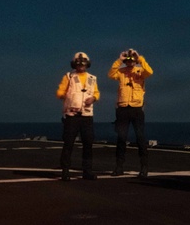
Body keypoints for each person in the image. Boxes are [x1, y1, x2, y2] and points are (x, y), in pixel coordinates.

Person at [107, 48, 154, 177]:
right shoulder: (121, 72)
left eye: (132, 60)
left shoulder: (141, 71)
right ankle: (119, 167)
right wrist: (119, 60)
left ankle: (144, 167)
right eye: (128, 60)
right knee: (121, 138)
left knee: (140, 138)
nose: (130, 62)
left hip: (137, 108)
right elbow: (110, 74)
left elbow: (150, 71)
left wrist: (140, 58)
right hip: (122, 108)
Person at [56, 52, 100, 181]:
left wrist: (94, 98)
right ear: (74, 64)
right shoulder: (68, 76)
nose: (81, 66)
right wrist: (68, 97)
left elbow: (96, 93)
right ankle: (65, 171)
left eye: (83, 63)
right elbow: (60, 91)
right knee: (68, 143)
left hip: (87, 116)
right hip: (72, 116)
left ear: (87, 64)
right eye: (78, 63)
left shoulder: (92, 78)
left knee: (88, 144)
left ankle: (87, 171)